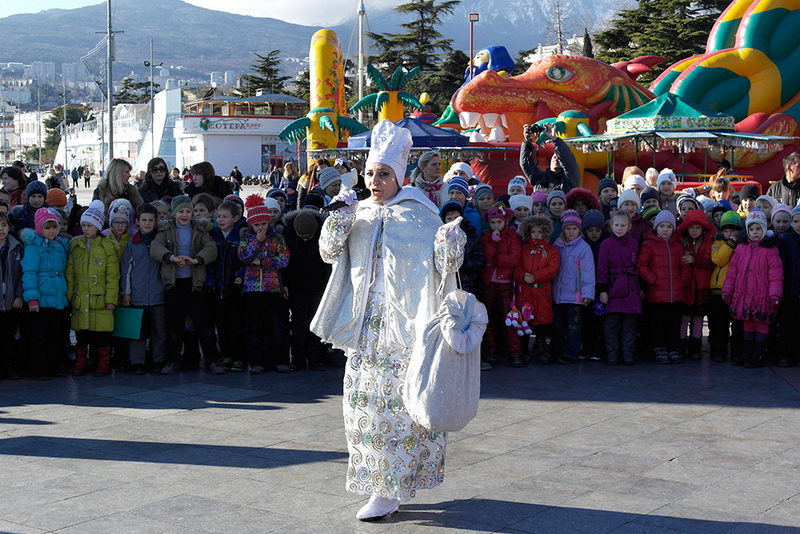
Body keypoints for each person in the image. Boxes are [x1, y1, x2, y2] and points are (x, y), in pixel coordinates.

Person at [310, 119, 464, 521]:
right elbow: (328, 253)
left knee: (400, 409)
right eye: (371, 174)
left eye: (383, 174)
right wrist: (338, 220)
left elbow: (442, 268)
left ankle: (392, 486)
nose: (375, 181)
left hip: (406, 328)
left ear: (399, 175)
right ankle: (380, 485)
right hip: (363, 327)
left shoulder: (421, 215)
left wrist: (451, 245)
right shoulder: (357, 211)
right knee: (364, 408)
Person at [150, 194, 219, 375]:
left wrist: (197, 260)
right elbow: (155, 248)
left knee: (204, 325)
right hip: (174, 284)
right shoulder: (165, 231)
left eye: (188, 211)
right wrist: (171, 257)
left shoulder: (200, 230)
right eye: (181, 211)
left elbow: (211, 248)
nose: (185, 215)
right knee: (174, 326)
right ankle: (173, 360)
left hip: (195, 283)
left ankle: (212, 360)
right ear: (174, 213)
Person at [722, 209, 783, 368]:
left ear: (764, 229)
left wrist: (775, 295)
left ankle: (758, 354)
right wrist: (728, 290)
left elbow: (776, 275)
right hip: (743, 294)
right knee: (747, 323)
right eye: (751, 229)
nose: (754, 232)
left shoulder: (770, 250)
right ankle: (747, 353)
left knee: (761, 324)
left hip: (761, 295)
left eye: (758, 229)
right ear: (747, 230)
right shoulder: (741, 248)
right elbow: (732, 271)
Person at [238, 195, 291, 374]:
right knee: (254, 327)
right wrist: (257, 243)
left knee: (277, 326)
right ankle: (255, 362)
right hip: (252, 290)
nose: (261, 228)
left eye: (263, 224)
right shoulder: (246, 238)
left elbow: (283, 260)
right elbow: (244, 257)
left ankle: (281, 360)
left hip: (272, 288)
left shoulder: (277, 238)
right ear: (251, 225)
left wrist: (262, 262)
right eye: (257, 225)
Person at [66, 200, 119, 377]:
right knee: (82, 334)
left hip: (100, 297)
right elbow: (70, 273)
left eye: (90, 225)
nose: (86, 229)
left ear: (97, 226)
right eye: (84, 225)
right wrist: (70, 295)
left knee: (101, 334)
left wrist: (111, 298)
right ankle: (81, 363)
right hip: (81, 297)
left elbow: (113, 275)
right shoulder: (76, 245)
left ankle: (102, 363)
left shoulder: (107, 247)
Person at [21, 208, 71, 379]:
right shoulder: (33, 247)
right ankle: (38, 368)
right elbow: (29, 273)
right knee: (40, 336)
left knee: (55, 335)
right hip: (41, 298)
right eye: (47, 228)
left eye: (54, 227)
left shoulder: (60, 245)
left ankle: (54, 365)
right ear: (39, 229)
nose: (51, 231)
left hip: (57, 296)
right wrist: (32, 298)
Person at [637, 211, 690, 364]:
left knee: (673, 323)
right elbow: (641, 265)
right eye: (661, 226)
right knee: (657, 323)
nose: (665, 229)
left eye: (668, 226)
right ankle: (659, 347)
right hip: (656, 294)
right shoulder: (649, 244)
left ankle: (672, 347)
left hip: (675, 294)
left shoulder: (678, 245)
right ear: (656, 227)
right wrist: (652, 280)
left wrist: (682, 281)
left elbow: (684, 265)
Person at [120, 203, 167, 374]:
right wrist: (126, 292)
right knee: (137, 332)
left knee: (159, 330)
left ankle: (158, 359)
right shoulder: (133, 244)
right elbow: (126, 270)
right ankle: (137, 361)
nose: (147, 223)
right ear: (137, 222)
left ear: (155, 222)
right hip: (138, 295)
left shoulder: (160, 241)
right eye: (144, 220)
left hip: (158, 294)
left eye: (151, 220)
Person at [282, 208, 330, 371]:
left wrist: (326, 285)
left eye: (308, 237)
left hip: (317, 284)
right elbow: (286, 263)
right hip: (297, 285)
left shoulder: (323, 234)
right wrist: (286, 283)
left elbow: (327, 264)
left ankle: (315, 359)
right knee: (298, 322)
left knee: (315, 322)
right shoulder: (288, 234)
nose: (305, 240)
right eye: (302, 237)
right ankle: (298, 360)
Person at [206, 199, 247, 373]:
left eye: (225, 217)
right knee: (221, 324)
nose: (221, 220)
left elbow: (247, 258)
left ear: (236, 218)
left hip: (234, 288)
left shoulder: (241, 235)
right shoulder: (213, 235)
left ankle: (238, 357)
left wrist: (241, 274)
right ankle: (225, 355)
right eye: (219, 216)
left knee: (235, 324)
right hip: (217, 287)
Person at [596, 211, 641, 365]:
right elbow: (601, 268)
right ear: (611, 225)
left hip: (631, 285)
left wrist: (640, 287)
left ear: (629, 227)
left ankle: (628, 351)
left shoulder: (634, 243)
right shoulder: (606, 244)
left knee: (629, 323)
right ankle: (612, 351)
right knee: (612, 323)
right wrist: (602, 290)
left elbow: (638, 266)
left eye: (623, 225)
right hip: (613, 286)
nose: (619, 228)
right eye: (616, 225)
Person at [480, 206, 522, 366]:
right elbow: (485, 256)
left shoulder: (512, 236)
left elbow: (513, 259)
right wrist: (493, 242)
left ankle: (515, 353)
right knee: (489, 319)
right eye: (493, 222)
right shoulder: (486, 237)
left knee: (509, 319)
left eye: (499, 222)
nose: (496, 225)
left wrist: (495, 259)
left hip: (505, 284)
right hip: (489, 283)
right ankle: (491, 353)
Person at [551, 209, 595, 363]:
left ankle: (571, 353)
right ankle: (556, 350)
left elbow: (588, 272)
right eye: (568, 229)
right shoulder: (557, 245)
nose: (571, 232)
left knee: (573, 325)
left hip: (575, 295)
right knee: (557, 325)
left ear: (579, 230)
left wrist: (587, 293)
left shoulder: (583, 248)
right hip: (558, 294)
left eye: (574, 229)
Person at [515, 214, 560, 364]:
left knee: (544, 322)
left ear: (545, 232)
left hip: (542, 291)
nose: (536, 235)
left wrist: (535, 276)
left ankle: (545, 349)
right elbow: (516, 268)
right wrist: (523, 276)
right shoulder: (523, 250)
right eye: (533, 232)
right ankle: (523, 351)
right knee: (525, 321)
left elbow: (552, 269)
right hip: (526, 291)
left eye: (539, 232)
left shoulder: (551, 251)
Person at [677, 209, 715, 360]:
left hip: (701, 289)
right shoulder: (681, 243)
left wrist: (694, 259)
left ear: (703, 229)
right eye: (692, 227)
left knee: (698, 318)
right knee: (684, 318)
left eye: (698, 227)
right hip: (686, 287)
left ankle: (695, 346)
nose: (694, 230)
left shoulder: (708, 243)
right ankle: (681, 346)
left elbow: (710, 262)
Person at [709, 210, 743, 362]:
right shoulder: (717, 244)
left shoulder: (742, 246)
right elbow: (719, 260)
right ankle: (719, 350)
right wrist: (730, 243)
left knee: (737, 324)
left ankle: (737, 351)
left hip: (737, 290)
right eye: (726, 231)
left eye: (733, 231)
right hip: (719, 290)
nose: (729, 234)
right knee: (719, 324)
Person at [519, 123, 579, 193]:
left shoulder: (570, 179)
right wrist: (527, 142)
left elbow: (568, 162)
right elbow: (525, 164)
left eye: (558, 157)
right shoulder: (539, 178)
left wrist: (555, 139)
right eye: (554, 156)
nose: (556, 158)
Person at [0, 211, 24, 379]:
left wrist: (19, 295)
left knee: (9, 337)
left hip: (10, 302)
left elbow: (22, 275)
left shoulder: (16, 247)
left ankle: (10, 367)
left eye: (4, 225)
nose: (1, 229)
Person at [777, 205, 800, 366]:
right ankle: (784, 354)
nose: (798, 225)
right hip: (789, 291)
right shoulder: (786, 240)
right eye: (796, 221)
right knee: (787, 325)